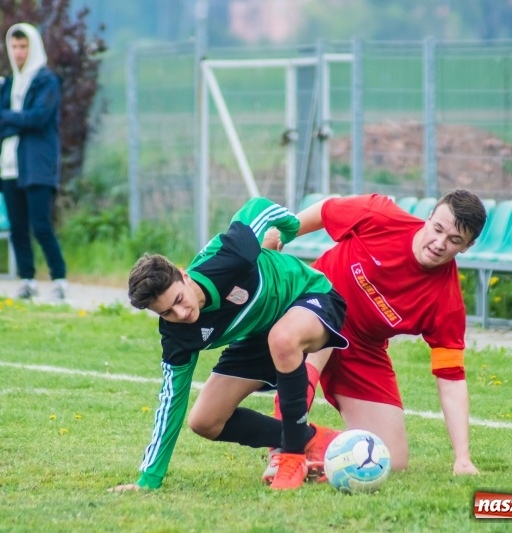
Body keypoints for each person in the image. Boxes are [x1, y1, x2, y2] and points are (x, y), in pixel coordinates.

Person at [111, 197, 348, 492]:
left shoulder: (229, 256)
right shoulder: (176, 334)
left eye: (179, 300)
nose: (181, 314)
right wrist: (148, 479)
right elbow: (171, 399)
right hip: (259, 333)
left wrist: (290, 228)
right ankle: (314, 438)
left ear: (184, 275)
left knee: (283, 338)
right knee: (205, 421)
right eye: (166, 312)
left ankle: (293, 456)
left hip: (310, 296)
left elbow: (258, 207)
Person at [264, 189, 487, 477]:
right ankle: (283, 453)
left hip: (364, 348)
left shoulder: (447, 302)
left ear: (467, 247)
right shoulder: (380, 215)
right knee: (326, 326)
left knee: (390, 459)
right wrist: (284, 235)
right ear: (429, 217)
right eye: (438, 229)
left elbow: (451, 378)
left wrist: (463, 458)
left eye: (454, 240)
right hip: (318, 303)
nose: (439, 243)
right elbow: (326, 210)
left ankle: (316, 446)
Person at [0, 22, 67, 302]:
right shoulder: (8, 83)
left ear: (33, 48)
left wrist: (11, 118)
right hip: (9, 166)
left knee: (41, 225)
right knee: (17, 227)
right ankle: (27, 280)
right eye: (14, 46)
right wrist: (16, 119)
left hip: (37, 165)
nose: (19, 52)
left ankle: (58, 280)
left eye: (23, 46)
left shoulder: (46, 81)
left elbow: (39, 117)